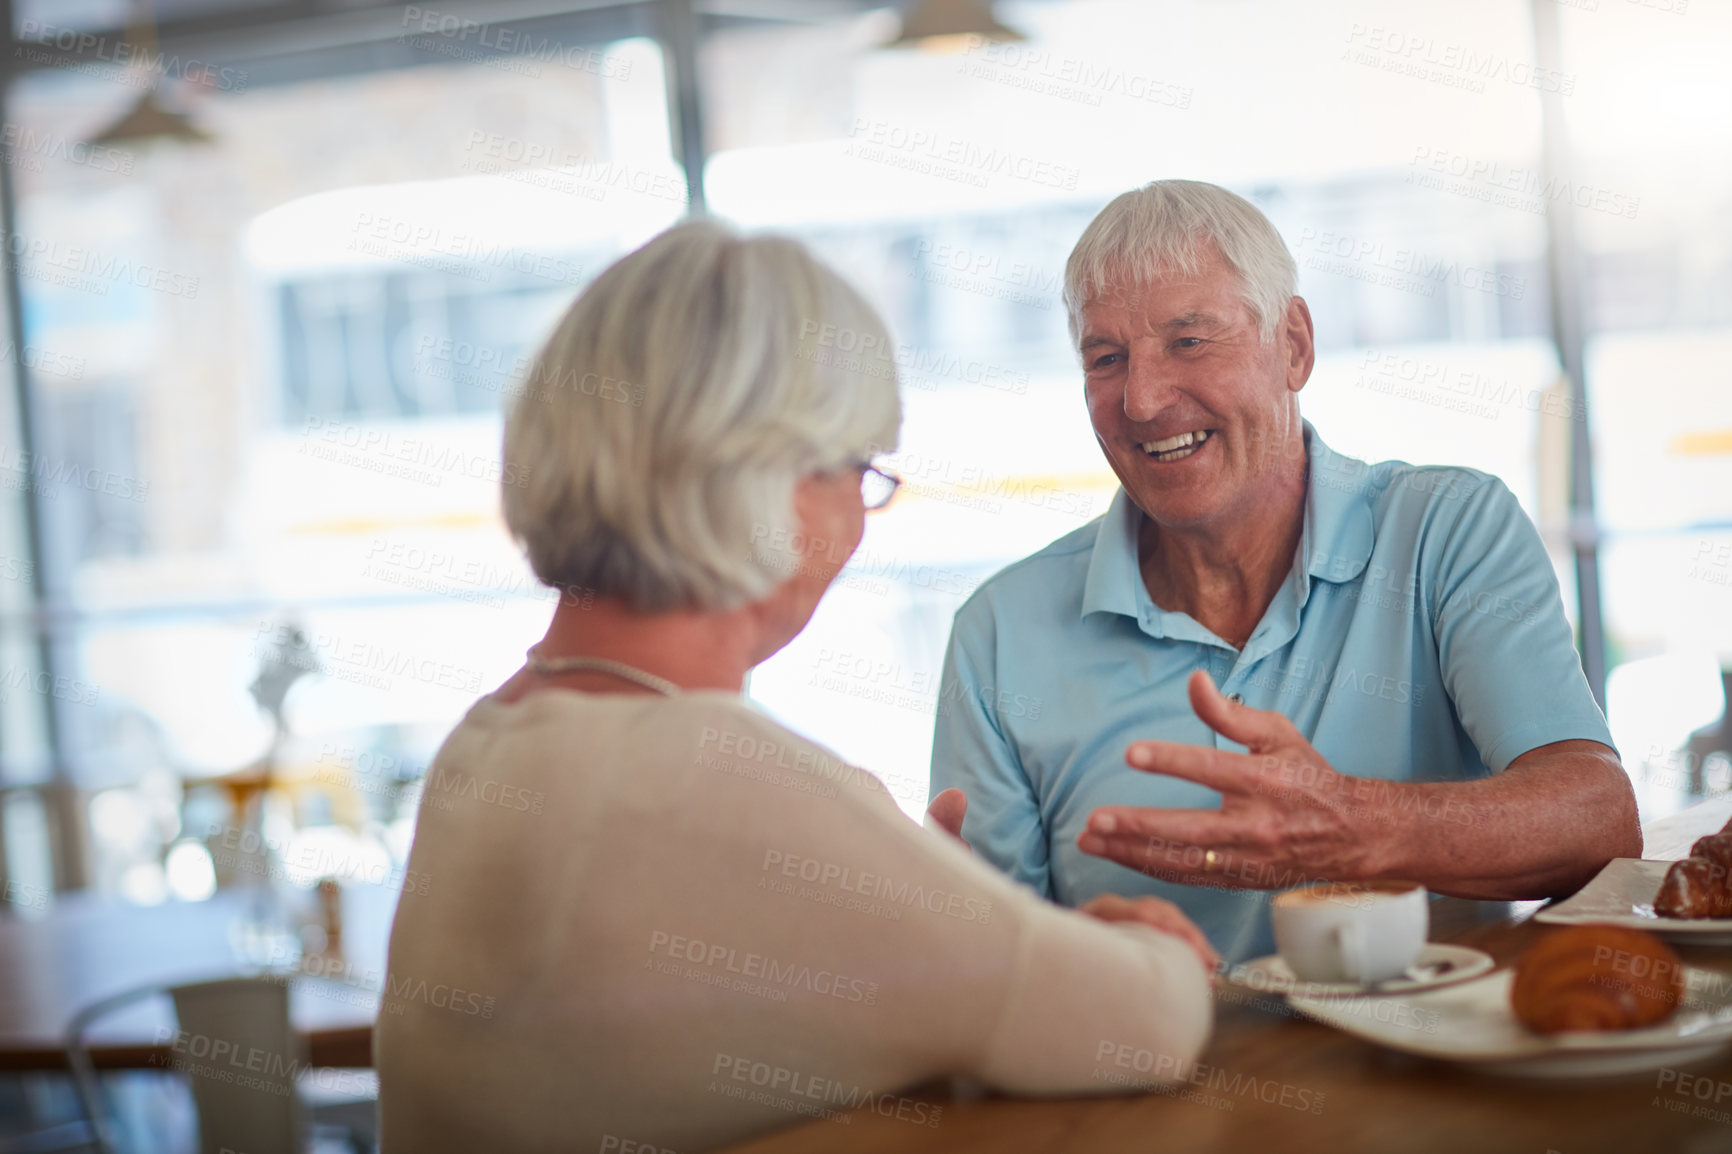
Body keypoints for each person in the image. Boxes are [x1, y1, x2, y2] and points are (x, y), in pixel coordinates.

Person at [375, 221, 1214, 1153]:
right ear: (768, 475)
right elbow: (1146, 1022)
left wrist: (929, 923)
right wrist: (1083, 949)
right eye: (857, 471)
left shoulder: (489, 743)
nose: (858, 516)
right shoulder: (704, 776)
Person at [929, 180, 1640, 964]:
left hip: (1436, 1074)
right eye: (1106, 358)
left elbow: (1598, 822)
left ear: (1294, 344)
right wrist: (1061, 958)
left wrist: (1348, 823)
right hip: (1145, 1076)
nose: (1141, 398)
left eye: (1189, 341)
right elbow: (985, 965)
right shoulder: (996, 632)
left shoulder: (1446, 529)